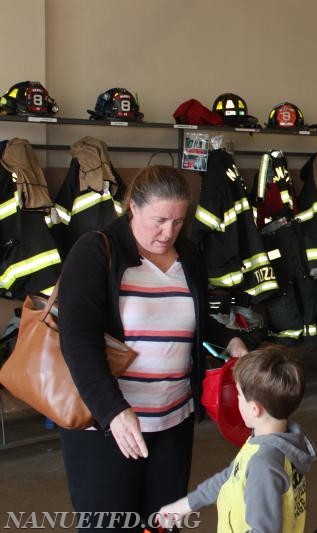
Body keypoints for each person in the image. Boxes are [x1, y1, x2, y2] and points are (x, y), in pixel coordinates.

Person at [58, 165, 252, 532]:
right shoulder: (96, 252)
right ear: (132, 207)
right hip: (107, 426)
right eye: (159, 220)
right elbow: (77, 339)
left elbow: (194, 320)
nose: (168, 232)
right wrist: (113, 411)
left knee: (162, 525)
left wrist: (230, 339)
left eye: (178, 221)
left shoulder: (189, 256)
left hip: (172, 422)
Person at [158, 348, 316, 532]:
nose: (236, 399)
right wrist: (186, 505)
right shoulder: (277, 442)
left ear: (254, 409)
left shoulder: (264, 465)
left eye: (239, 395)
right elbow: (231, 476)